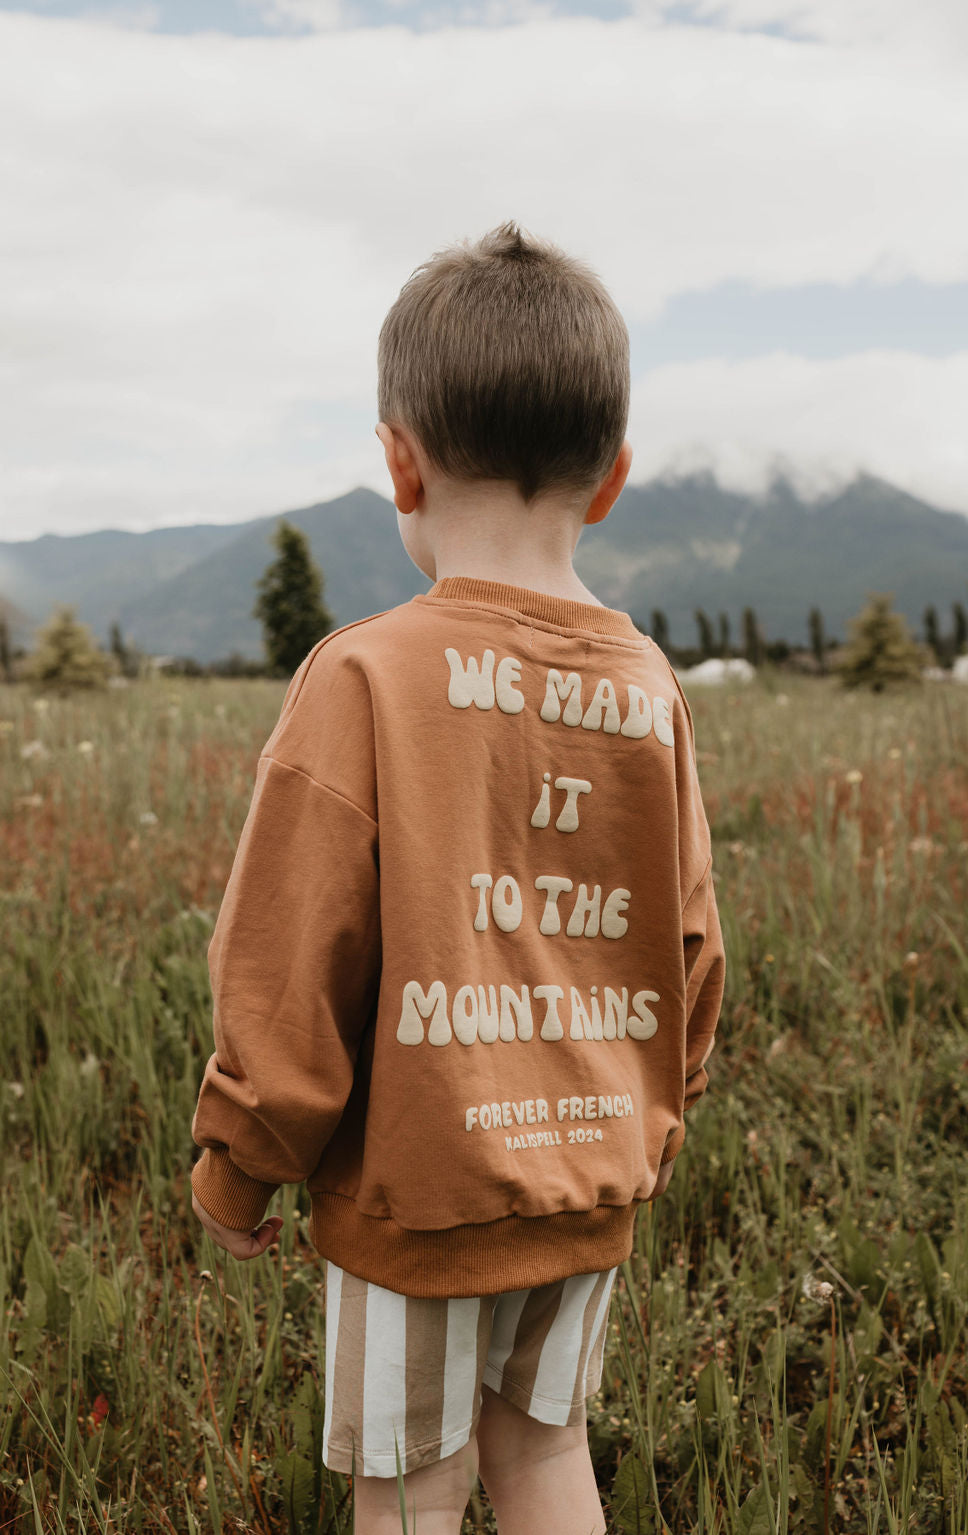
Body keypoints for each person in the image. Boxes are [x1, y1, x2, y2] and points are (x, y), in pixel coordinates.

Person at [190, 221, 726, 1534]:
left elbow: (290, 954)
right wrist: (649, 1109)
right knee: (548, 1460)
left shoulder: (366, 674)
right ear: (610, 481)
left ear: (397, 460)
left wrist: (241, 1157)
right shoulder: (649, 688)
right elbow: (693, 948)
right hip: (592, 1183)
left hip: (417, 1199)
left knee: (412, 1494)